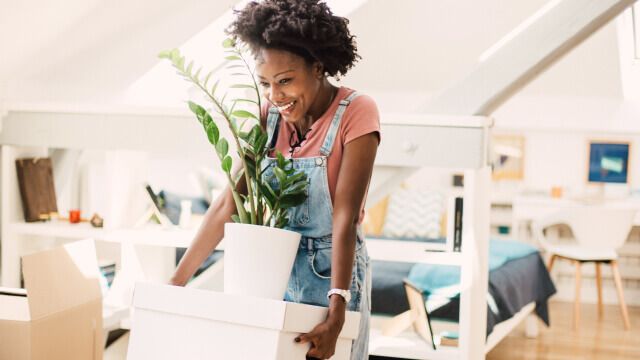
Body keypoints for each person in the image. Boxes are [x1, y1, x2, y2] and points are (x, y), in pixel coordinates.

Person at [170, 0, 380, 358]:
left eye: (285, 81)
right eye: (265, 83)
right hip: (273, 272)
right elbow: (227, 203)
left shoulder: (357, 112)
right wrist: (176, 283)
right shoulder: (269, 116)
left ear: (318, 67)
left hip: (332, 275)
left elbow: (344, 218)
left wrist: (337, 312)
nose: (274, 96)